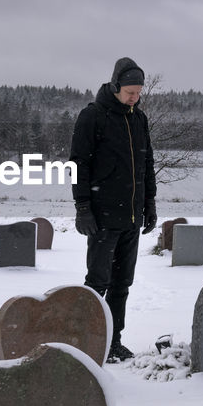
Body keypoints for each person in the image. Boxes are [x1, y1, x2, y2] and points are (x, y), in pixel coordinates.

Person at [69, 56, 157, 363]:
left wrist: (149, 203)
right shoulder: (92, 116)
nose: (135, 97)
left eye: (139, 92)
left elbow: (146, 164)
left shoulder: (139, 119)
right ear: (116, 86)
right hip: (103, 216)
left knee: (122, 284)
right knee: (97, 283)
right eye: (130, 91)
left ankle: (113, 341)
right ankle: (84, 342)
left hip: (132, 216)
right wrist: (82, 206)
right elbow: (79, 164)